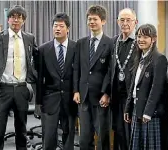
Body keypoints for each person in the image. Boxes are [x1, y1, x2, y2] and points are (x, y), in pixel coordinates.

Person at [0, 5, 38, 150]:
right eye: (13, 17)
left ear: (24, 21)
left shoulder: (29, 38)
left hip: (21, 88)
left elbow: (37, 57)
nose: (16, 20)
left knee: (21, 127)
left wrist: (35, 77)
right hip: (3, 88)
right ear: (8, 20)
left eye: (19, 18)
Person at [73, 5, 113, 150]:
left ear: (103, 21)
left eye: (95, 19)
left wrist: (106, 93)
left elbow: (110, 71)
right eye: (89, 19)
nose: (91, 22)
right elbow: (77, 68)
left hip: (100, 97)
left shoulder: (110, 43)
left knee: (102, 136)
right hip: (83, 96)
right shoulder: (81, 43)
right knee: (84, 138)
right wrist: (76, 90)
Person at [35, 12, 77, 150]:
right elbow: (39, 79)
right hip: (50, 100)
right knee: (48, 138)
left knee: (69, 137)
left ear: (68, 28)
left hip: (70, 100)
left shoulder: (76, 48)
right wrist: (38, 103)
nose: (57, 29)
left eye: (61, 26)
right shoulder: (43, 50)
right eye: (55, 26)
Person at [124, 24, 168, 150]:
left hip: (150, 114)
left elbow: (157, 88)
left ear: (153, 39)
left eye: (145, 37)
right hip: (136, 110)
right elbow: (133, 86)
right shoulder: (138, 57)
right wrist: (128, 108)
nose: (140, 40)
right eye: (138, 36)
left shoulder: (159, 59)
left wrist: (148, 112)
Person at [111, 8, 137, 150]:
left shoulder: (140, 42)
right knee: (118, 132)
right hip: (116, 96)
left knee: (130, 134)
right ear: (117, 22)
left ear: (135, 22)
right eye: (122, 20)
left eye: (128, 20)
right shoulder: (114, 41)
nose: (125, 23)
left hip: (131, 97)